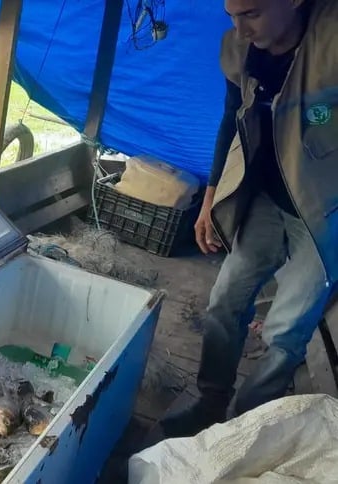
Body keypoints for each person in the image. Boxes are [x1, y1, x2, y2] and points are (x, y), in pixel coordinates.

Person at [160, 0, 338, 438]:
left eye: (252, 14)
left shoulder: (332, 38)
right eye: (232, 15)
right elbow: (229, 121)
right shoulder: (238, 49)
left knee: (285, 329)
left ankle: (245, 424)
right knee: (225, 300)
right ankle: (210, 401)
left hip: (324, 210)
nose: (240, 29)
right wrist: (210, 200)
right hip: (263, 199)